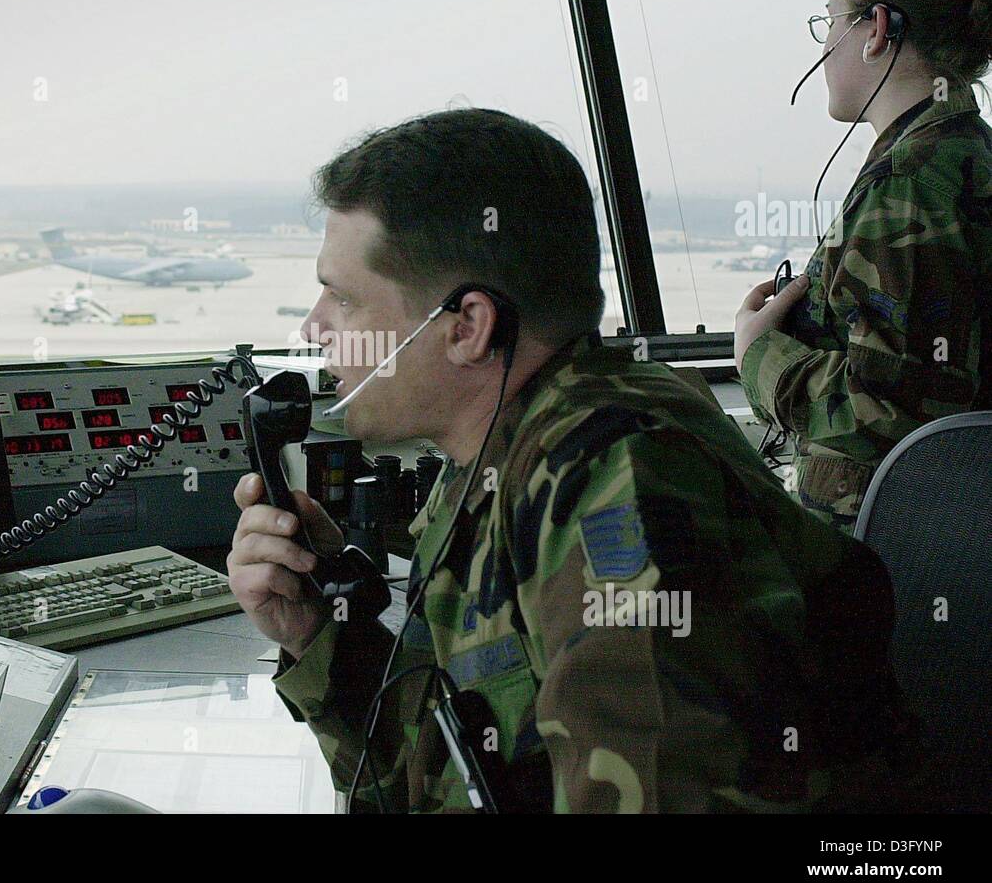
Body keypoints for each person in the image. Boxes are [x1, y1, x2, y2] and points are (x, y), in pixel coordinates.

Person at [227, 107, 904, 813]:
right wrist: (317, 633)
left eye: (342, 297)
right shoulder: (496, 457)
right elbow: (446, 776)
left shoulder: (617, 483)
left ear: (467, 328)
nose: (314, 327)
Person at [736, 0, 992, 533]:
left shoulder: (908, 185)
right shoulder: (966, 156)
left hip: (886, 562)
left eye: (832, 24)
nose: (824, 49)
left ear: (876, 30)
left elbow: (889, 413)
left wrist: (758, 353)